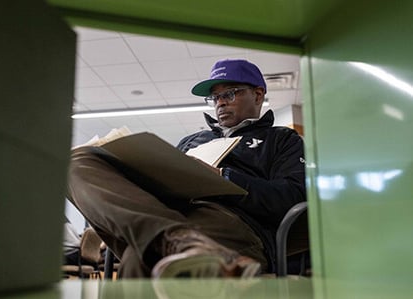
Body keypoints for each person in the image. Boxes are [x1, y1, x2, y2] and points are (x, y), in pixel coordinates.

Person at [66, 58, 306, 278]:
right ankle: (179, 238)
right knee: (78, 160)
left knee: (141, 257)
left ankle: (177, 240)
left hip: (235, 223)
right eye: (215, 97)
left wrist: (224, 178)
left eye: (230, 94)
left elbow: (292, 197)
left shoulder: (282, 139)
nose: (220, 102)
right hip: (170, 214)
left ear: (258, 94)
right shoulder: (192, 141)